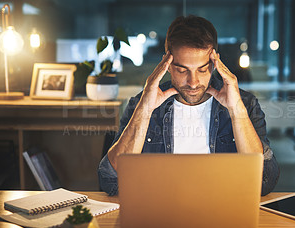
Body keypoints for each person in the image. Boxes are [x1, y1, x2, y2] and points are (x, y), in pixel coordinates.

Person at [98, 15, 279, 196]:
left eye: (202, 69)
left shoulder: (245, 104)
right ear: (167, 65)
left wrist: (236, 110)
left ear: (215, 63)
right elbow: (110, 181)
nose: (193, 83)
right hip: (161, 212)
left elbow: (264, 182)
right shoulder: (141, 104)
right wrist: (144, 111)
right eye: (182, 70)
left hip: (222, 211)